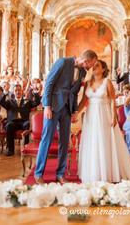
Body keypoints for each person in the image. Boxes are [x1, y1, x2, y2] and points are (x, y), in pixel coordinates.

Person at [77, 60, 130, 183]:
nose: (93, 67)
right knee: (93, 141)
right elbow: (83, 101)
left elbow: (113, 100)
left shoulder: (107, 82)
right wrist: (77, 112)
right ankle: (94, 172)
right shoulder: (88, 83)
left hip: (104, 114)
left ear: (103, 69)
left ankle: (108, 172)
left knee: (104, 141)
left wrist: (114, 115)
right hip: (91, 116)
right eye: (93, 65)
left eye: (97, 65)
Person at [34, 50, 98, 184]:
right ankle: (38, 173)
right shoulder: (63, 62)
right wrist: (47, 106)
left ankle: (60, 174)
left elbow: (74, 93)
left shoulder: (83, 72)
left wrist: (74, 110)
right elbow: (49, 83)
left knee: (64, 141)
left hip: (67, 110)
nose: (90, 68)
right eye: (90, 65)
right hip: (53, 107)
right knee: (47, 139)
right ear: (85, 60)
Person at [0, 84, 41, 156]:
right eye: (16, 90)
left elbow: (36, 102)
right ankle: (10, 150)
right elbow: (1, 102)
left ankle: (26, 148)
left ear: (22, 91)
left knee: (28, 124)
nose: (18, 92)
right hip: (13, 122)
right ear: (13, 92)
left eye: (19, 90)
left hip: (23, 121)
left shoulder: (27, 101)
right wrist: (5, 93)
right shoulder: (9, 101)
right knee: (9, 125)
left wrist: (35, 92)